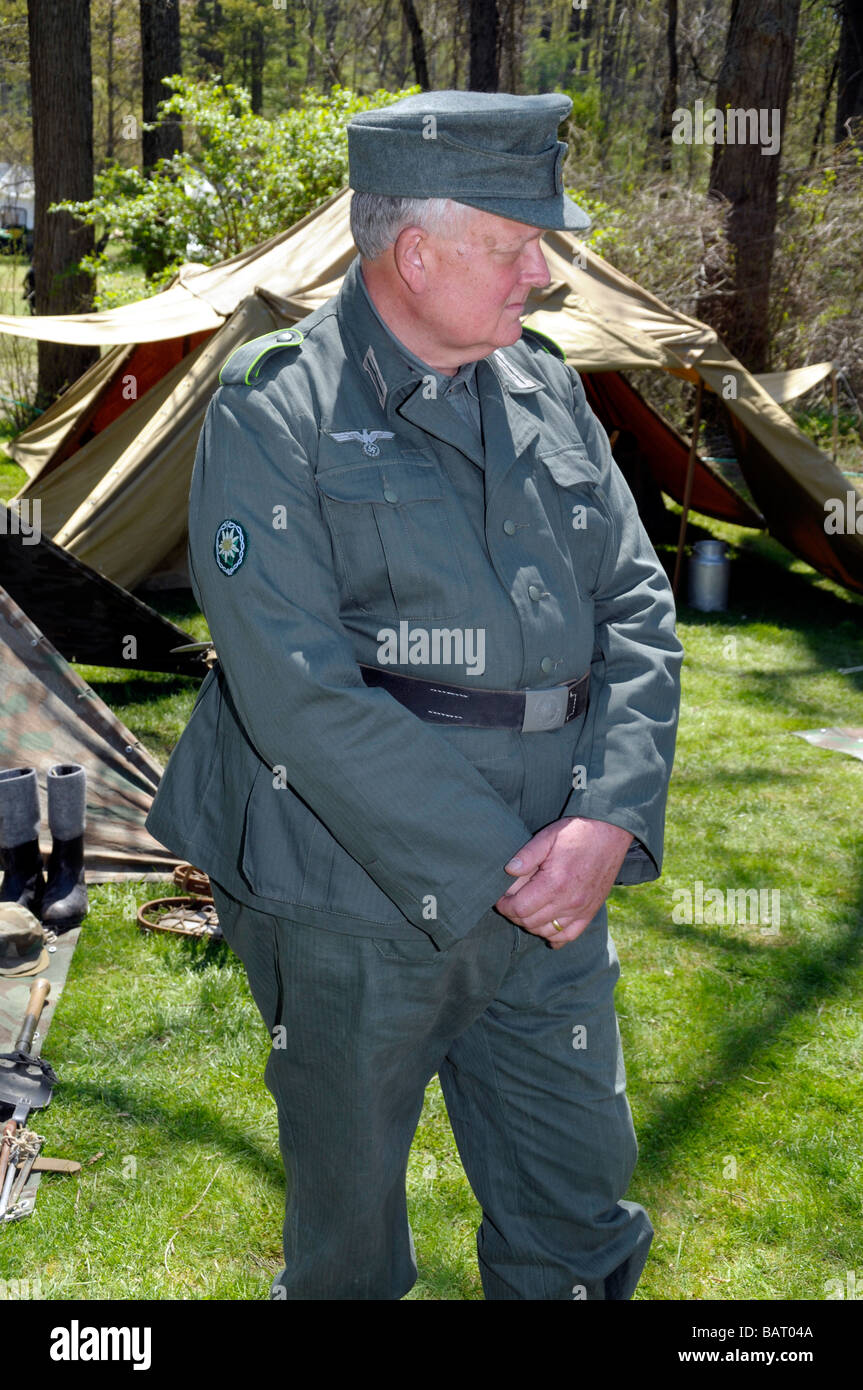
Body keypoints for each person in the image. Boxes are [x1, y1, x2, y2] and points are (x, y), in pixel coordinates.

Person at [147, 90, 683, 1301]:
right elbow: (298, 696)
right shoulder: (274, 404)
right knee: (347, 1254)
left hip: (560, 871)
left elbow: (639, 613)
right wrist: (512, 872)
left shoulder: (546, 389)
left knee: (578, 1212)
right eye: (515, 244)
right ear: (415, 250)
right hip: (347, 888)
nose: (540, 274)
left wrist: (606, 820)